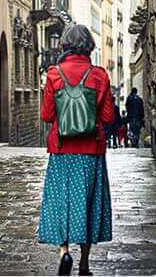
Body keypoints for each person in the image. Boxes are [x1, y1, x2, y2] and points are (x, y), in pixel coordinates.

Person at [37, 24, 114, 276]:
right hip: (91, 151)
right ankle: (84, 264)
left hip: (61, 151)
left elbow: (47, 115)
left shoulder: (54, 74)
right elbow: (107, 116)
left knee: (62, 203)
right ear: (89, 46)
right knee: (88, 205)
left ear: (65, 45)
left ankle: (64, 252)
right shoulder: (99, 75)